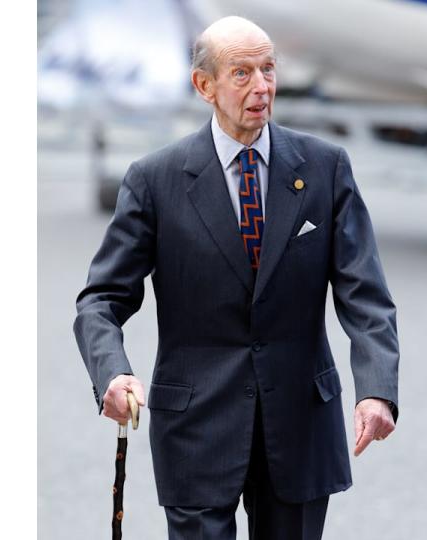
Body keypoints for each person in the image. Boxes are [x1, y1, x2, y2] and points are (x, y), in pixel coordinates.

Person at [74, 16, 399, 540]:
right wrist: (113, 375)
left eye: (268, 69)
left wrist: (377, 390)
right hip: (195, 431)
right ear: (205, 86)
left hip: (299, 427)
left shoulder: (325, 168)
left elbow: (367, 297)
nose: (262, 87)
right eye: (242, 73)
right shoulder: (154, 180)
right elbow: (100, 300)